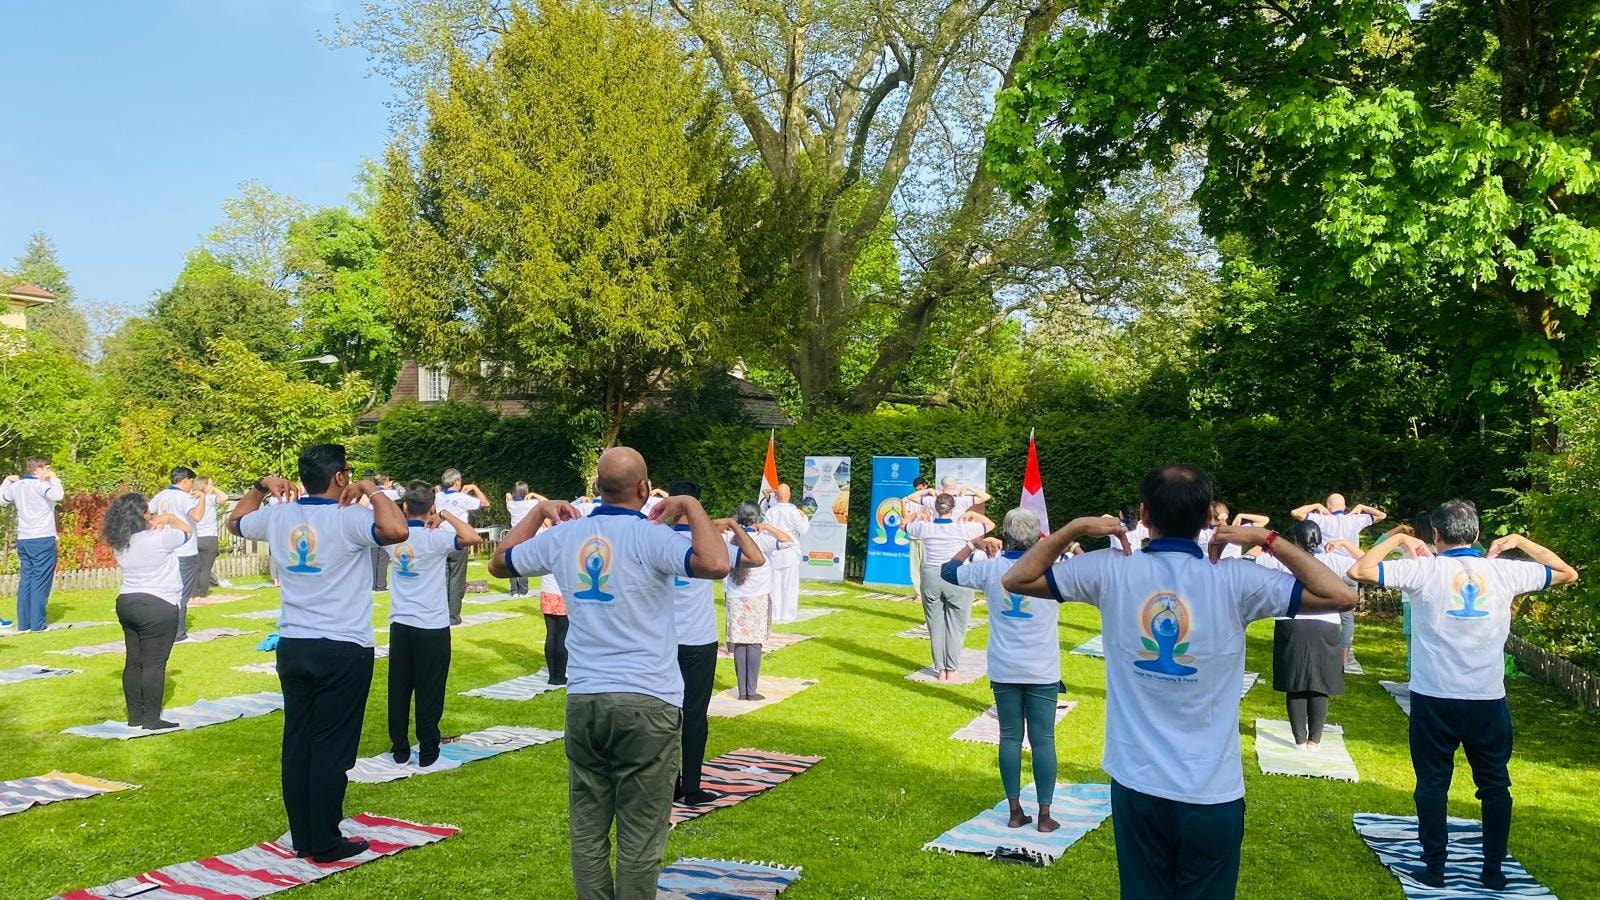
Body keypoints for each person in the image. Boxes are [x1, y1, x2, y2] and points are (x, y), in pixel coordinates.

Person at [1004, 464, 1357, 900]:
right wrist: (1267, 540)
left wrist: (1074, 527)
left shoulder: (1112, 570)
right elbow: (1342, 595)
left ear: (1143, 514)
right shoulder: (1234, 579)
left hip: (1139, 787)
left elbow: (1016, 577)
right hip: (1210, 791)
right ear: (1211, 517)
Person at [489, 447, 730, 900]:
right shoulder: (652, 536)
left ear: (597, 487)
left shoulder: (567, 536)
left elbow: (501, 562)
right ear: (644, 488)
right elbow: (717, 563)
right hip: (648, 699)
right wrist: (691, 505)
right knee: (640, 835)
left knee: (588, 830)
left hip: (586, 697)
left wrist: (540, 510)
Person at [1348, 499, 1576, 891]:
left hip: (1433, 696)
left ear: (1436, 535)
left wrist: (1398, 536)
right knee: (1494, 785)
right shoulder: (1503, 571)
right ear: (1475, 532)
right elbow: (1566, 572)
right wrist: (1520, 540)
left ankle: (1434, 867)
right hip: (1486, 697)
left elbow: (1360, 569)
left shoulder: (1424, 569)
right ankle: (1493, 870)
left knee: (1433, 783)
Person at [228, 444, 409, 864]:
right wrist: (374, 490)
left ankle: (304, 835)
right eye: (349, 473)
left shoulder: (278, 514)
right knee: (331, 747)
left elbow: (235, 522)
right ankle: (325, 839)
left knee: (298, 743)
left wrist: (259, 487)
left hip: (294, 643)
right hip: (342, 646)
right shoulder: (350, 518)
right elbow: (398, 531)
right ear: (341, 477)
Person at [942, 508, 1063, 833]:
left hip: (1004, 667)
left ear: (1006, 536)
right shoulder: (1052, 570)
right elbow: (1079, 563)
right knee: (1044, 740)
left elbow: (949, 571)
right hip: (1042, 669)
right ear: (1037, 537)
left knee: (1009, 737)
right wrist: (1065, 545)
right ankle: (1044, 815)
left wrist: (974, 543)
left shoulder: (989, 568)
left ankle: (1013, 811)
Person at [387, 481, 480, 768]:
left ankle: (400, 748)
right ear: (431, 508)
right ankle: (428, 750)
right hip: (431, 625)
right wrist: (446, 516)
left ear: (405, 507)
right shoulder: (436, 538)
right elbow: (472, 537)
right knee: (430, 689)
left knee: (399, 688)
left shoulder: (393, 537)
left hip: (401, 624)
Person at [1258, 521, 1357, 750]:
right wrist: (1344, 544)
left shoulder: (1283, 558)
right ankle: (1315, 741)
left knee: (1296, 683)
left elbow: (1252, 557)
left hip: (1291, 622)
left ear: (1294, 540)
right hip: (1327, 623)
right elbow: (1362, 566)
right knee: (1318, 683)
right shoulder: (1334, 560)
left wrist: (1270, 542)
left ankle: (1300, 740)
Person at [103, 492, 193, 729]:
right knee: (154, 663)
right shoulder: (160, 538)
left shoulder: (120, 543)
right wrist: (171, 518)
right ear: (142, 514)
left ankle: (135, 717)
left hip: (127, 602)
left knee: (134, 661)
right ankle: (152, 719)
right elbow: (188, 532)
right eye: (149, 512)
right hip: (158, 603)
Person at [666, 478, 719, 806]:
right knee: (695, 713)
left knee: (665, 713)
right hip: (698, 638)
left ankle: (669, 783)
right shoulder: (708, 541)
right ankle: (692, 787)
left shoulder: (654, 537)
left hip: (662, 639)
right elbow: (752, 558)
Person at [906, 495, 993, 681]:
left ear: (936, 508)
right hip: (957, 576)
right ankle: (951, 669)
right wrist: (971, 514)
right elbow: (990, 525)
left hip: (931, 576)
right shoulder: (963, 528)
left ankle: (940, 669)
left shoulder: (925, 527)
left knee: (935, 625)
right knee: (957, 626)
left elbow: (903, 524)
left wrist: (917, 516)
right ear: (953, 509)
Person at [723, 501, 786, 701]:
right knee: (755, 644)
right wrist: (767, 527)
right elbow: (787, 541)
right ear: (756, 518)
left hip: (735, 596)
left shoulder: (729, 537)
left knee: (740, 644)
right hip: (758, 597)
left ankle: (742, 691)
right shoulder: (761, 538)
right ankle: (751, 690)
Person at [1, 456, 64, 631]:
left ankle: (24, 623)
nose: (48, 471)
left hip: (23, 538)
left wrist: (6, 481)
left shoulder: (17, 486)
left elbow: (2, 499)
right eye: (46, 468)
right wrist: (54, 479)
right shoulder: (40, 485)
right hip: (42, 537)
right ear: (37, 470)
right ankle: (38, 624)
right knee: (40, 581)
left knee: (26, 581)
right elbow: (58, 495)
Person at [148, 467, 207, 642]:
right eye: (191, 482)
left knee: (166, 590)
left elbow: (146, 511)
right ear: (185, 480)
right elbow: (196, 516)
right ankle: (177, 632)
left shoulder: (161, 495)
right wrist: (202, 498)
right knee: (182, 593)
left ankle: (160, 628)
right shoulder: (184, 497)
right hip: (185, 550)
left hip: (166, 549)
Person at [435, 468, 489, 625]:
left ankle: (442, 613)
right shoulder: (462, 498)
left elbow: (445, 498)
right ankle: (453, 616)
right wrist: (474, 488)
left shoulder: (438, 496)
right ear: (456, 482)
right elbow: (485, 503)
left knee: (443, 579)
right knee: (457, 579)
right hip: (458, 540)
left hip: (441, 540)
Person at [763, 483, 810, 623]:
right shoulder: (793, 511)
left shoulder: (771, 512)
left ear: (776, 497)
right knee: (790, 585)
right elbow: (804, 529)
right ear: (789, 495)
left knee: (775, 585)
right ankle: (788, 615)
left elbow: (766, 531)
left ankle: (775, 614)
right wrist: (805, 517)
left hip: (775, 551)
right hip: (790, 551)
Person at [504, 481, 547, 598]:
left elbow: (508, 498)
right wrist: (534, 495)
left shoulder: (511, 505)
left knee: (511, 562)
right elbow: (546, 501)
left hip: (513, 535)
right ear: (525, 491)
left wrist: (508, 495)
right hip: (525, 536)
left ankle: (514, 590)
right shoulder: (530, 503)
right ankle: (523, 591)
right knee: (522, 562)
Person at [191, 476, 229, 597]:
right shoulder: (209, 498)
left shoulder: (191, 499)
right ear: (205, 486)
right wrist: (214, 489)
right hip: (209, 536)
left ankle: (193, 593)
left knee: (195, 568)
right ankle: (202, 594)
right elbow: (224, 497)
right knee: (205, 568)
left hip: (195, 537)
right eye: (210, 484)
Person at [369, 474, 402, 592]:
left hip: (372, 527)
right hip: (385, 528)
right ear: (386, 482)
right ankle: (381, 584)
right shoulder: (388, 493)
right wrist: (395, 485)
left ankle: (373, 583)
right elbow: (403, 493)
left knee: (372, 557)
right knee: (383, 557)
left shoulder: (370, 494)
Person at [902, 477, 933, 598]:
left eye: (920, 489)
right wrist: (903, 504)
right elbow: (906, 517)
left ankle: (928, 592)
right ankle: (918, 593)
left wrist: (925, 499)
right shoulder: (910, 499)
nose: (917, 491)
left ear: (925, 487)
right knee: (914, 567)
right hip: (913, 536)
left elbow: (926, 516)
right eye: (916, 489)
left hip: (926, 537)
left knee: (926, 566)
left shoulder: (930, 499)